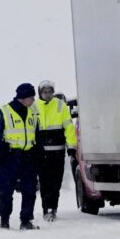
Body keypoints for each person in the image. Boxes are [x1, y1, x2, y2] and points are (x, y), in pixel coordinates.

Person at [0, 82, 40, 230]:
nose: (33, 100)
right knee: (6, 190)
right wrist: (1, 151)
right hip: (10, 157)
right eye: (31, 97)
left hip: (28, 156)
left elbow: (36, 133)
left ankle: (26, 220)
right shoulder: (4, 111)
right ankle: (4, 220)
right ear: (23, 97)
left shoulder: (32, 111)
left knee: (30, 190)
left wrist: (38, 148)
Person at [33, 79, 77, 222]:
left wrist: (71, 147)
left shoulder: (60, 105)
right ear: (40, 93)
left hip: (58, 152)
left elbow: (69, 127)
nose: (47, 94)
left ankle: (53, 208)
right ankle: (46, 208)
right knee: (44, 182)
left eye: (50, 92)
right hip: (41, 153)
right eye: (45, 92)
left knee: (56, 182)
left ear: (53, 92)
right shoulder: (34, 106)